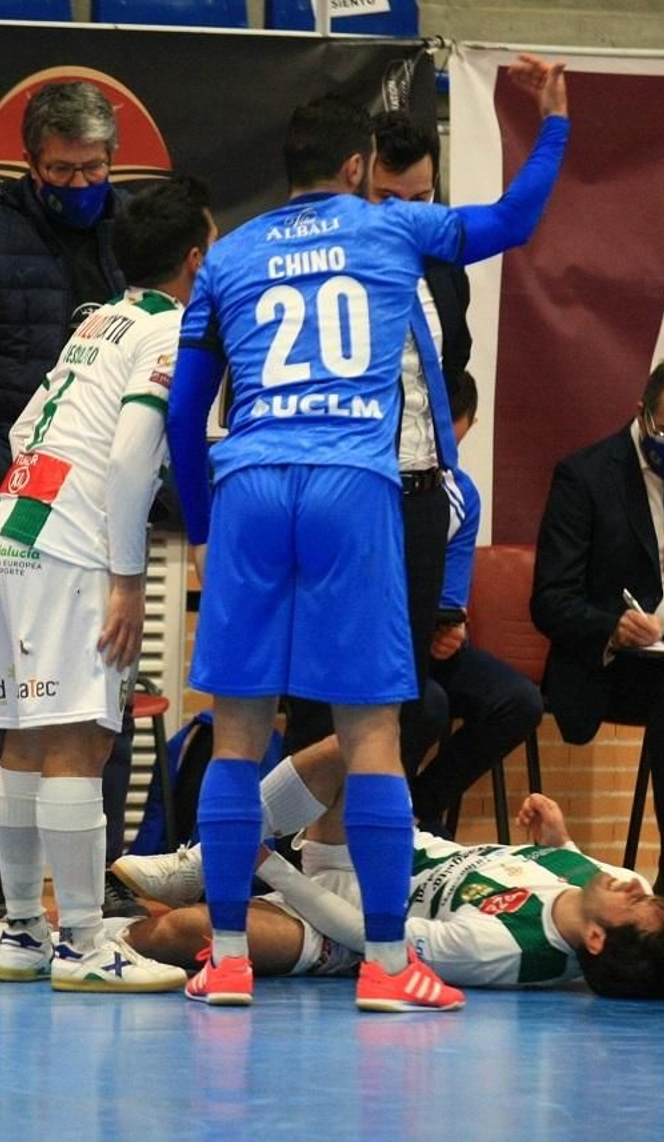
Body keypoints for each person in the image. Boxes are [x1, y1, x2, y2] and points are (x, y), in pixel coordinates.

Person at [165, 56, 570, 1011]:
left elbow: (188, 410)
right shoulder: (390, 228)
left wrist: (204, 522)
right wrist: (551, 125)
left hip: (253, 479)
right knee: (373, 731)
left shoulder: (230, 254)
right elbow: (513, 220)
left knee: (237, 733)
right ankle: (389, 967)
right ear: (357, 166)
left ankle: (224, 959)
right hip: (354, 482)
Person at [0, 177, 214, 991]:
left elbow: (17, 428)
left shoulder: (97, 320)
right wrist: (126, 578)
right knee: (81, 737)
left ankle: (21, 933)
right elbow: (130, 452)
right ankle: (82, 943)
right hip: (71, 546)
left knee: (25, 740)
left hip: (8, 530)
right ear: (195, 257)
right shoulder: (171, 328)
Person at [0, 785, 664, 1002]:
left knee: (192, 932)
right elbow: (560, 867)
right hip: (378, 854)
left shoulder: (505, 951)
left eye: (640, 906)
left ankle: (27, 942)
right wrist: (557, 838)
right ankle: (193, 860)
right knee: (344, 744)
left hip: (348, 922)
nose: (635, 887)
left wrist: (274, 869)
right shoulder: (601, 878)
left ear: (597, 943)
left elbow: (372, 938)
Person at [0, 80, 140, 921]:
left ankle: (103, 877)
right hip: (12, 495)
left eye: (92, 168)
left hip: (102, 508)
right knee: (8, 698)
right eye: (60, 170)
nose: (76, 184)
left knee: (105, 694)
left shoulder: (131, 236)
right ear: (28, 162)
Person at [279, 109, 474, 782]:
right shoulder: (322, 262)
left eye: (424, 201)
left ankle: (374, 848)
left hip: (417, 495)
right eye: (391, 201)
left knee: (406, 686)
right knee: (320, 686)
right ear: (357, 181)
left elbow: (451, 373)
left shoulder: (444, 267)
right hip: (340, 492)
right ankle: (294, 849)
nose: (409, 216)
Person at [531, 360, 664, 908]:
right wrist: (612, 626)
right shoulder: (586, 475)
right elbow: (550, 601)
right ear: (641, 414)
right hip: (616, 665)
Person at [411, 370, 545, 834]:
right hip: (372, 645)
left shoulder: (461, 493)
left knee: (518, 702)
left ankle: (418, 809)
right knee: (427, 706)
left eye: (454, 443)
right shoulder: (374, 481)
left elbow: (451, 592)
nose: (442, 455)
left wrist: (451, 629)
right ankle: (373, 820)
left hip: (427, 642)